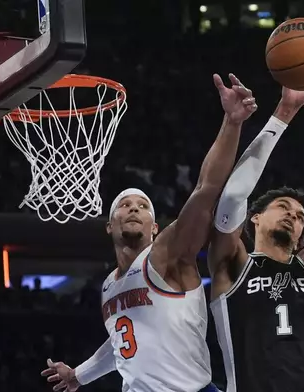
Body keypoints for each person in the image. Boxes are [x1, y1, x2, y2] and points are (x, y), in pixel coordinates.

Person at [41, 73, 258, 392]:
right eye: (124, 205)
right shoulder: (108, 286)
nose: (132, 208)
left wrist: (232, 121)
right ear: (109, 224)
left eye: (142, 206)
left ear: (155, 227)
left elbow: (206, 188)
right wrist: (79, 375)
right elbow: (122, 343)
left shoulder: (167, 254)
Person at [208, 66, 304, 392]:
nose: (293, 215)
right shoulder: (232, 263)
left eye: (300, 216)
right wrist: (285, 111)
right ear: (255, 218)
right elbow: (234, 195)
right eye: (282, 207)